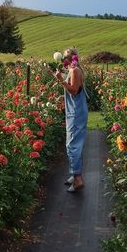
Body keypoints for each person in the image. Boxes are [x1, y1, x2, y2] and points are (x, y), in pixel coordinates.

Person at [55, 47, 88, 192]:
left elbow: (74, 90)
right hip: (75, 110)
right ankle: (74, 173)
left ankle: (78, 178)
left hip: (76, 113)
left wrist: (61, 80)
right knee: (75, 143)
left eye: (65, 59)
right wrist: (64, 96)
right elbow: (75, 90)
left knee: (72, 145)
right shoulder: (74, 69)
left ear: (68, 59)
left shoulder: (74, 71)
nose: (64, 62)